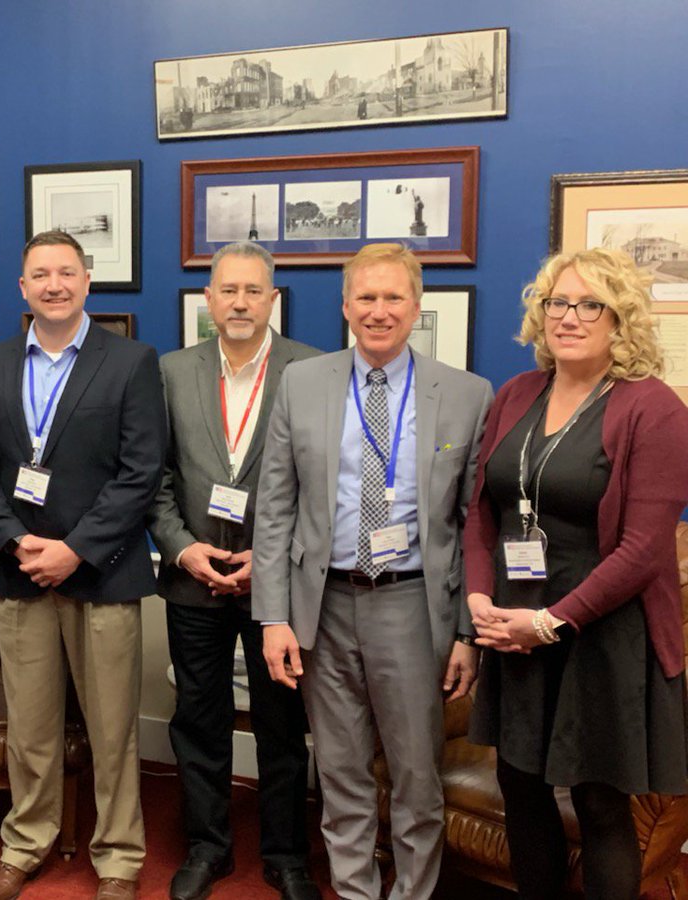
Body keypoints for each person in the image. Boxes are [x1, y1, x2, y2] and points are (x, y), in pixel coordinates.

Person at [253, 243, 493, 900]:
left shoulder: (468, 395)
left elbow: (476, 523)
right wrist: (274, 616)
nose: (379, 311)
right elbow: (275, 508)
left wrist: (469, 632)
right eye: (366, 298)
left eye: (393, 298)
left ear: (416, 306)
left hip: (413, 608)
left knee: (417, 779)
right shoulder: (302, 384)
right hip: (322, 604)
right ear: (345, 306)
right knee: (340, 774)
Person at [464, 248, 688, 900]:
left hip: (602, 638)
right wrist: (481, 597)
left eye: (592, 304)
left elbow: (644, 549)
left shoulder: (654, 409)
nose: (570, 316)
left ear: (622, 320)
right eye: (558, 302)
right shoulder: (515, 395)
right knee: (520, 786)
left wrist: (549, 622)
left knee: (598, 804)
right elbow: (482, 512)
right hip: (513, 627)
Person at [0, 231, 167, 900]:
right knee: (32, 729)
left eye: (66, 272)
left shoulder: (131, 361)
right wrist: (18, 542)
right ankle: (26, 842)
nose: (54, 284)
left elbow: (141, 474)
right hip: (22, 573)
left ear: (87, 282)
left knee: (111, 731)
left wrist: (74, 549)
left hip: (102, 575)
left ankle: (116, 857)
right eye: (40, 274)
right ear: (22, 288)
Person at [147, 242, 321, 900]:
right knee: (199, 717)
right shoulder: (171, 372)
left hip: (277, 586)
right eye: (228, 290)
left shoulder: (310, 372)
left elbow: (320, 487)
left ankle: (285, 854)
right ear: (209, 300)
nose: (241, 302)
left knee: (282, 724)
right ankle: (208, 846)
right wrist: (181, 546)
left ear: (272, 299)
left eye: (254, 290)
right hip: (193, 578)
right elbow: (155, 479)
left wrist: (272, 559)